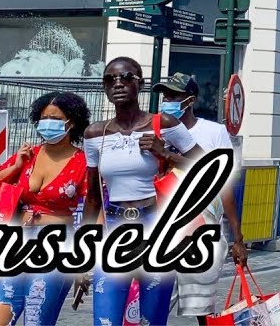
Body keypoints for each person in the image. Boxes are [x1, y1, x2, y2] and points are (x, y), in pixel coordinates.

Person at [81, 57, 203, 326]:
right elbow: (92, 196)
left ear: (141, 84)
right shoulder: (94, 134)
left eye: (126, 77)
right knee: (106, 318)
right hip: (114, 226)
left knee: (151, 319)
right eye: (109, 80)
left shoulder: (165, 123)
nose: (118, 84)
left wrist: (165, 154)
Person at [0, 92, 90, 326]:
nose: (47, 123)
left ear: (72, 122)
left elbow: (92, 209)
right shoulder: (29, 155)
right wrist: (16, 166)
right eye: (43, 117)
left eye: (55, 118)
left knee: (36, 318)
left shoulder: (83, 162)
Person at [153, 73, 248, 323]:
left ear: (190, 100)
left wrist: (237, 238)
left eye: (174, 96)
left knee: (201, 306)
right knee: (150, 302)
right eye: (165, 96)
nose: (167, 100)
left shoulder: (214, 132)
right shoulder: (154, 130)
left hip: (201, 227)